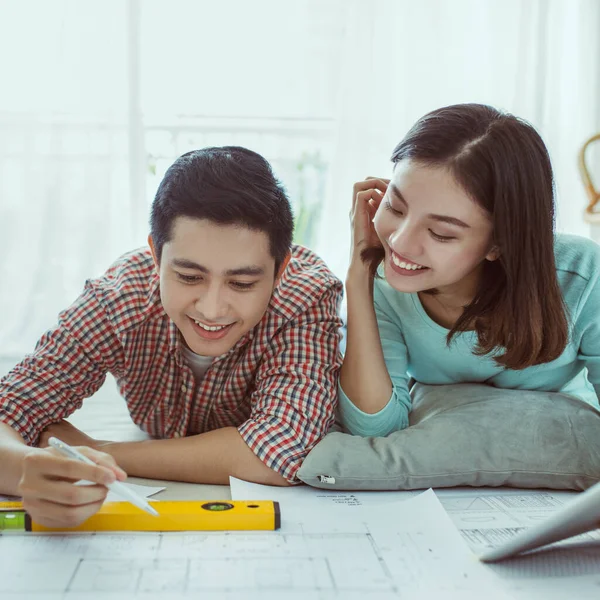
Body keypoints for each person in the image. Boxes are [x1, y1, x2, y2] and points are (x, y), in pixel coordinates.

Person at [0, 146, 343, 527]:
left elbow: (279, 453)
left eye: (242, 282)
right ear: (155, 256)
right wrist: (24, 468)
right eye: (189, 277)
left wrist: (98, 451)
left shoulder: (307, 295)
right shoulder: (120, 297)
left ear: (280, 272)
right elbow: (12, 408)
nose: (212, 309)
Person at [341, 103, 600, 437]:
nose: (400, 244)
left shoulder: (582, 274)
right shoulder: (384, 278)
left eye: (441, 233)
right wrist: (357, 272)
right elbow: (373, 426)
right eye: (395, 206)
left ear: (500, 243)